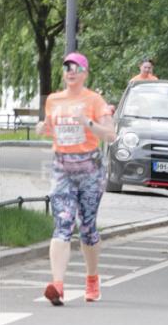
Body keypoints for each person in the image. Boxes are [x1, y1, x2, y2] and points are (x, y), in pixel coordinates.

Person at [35, 52, 116, 305]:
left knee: (88, 227)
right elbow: (51, 128)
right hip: (62, 168)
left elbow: (111, 135)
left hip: (90, 170)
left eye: (76, 67)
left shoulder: (94, 100)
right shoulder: (54, 101)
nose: (70, 71)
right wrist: (43, 129)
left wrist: (88, 122)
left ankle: (92, 278)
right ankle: (57, 285)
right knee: (62, 223)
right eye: (67, 67)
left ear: (85, 73)